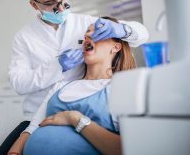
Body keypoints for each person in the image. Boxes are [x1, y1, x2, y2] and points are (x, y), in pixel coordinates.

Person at [0, 0, 148, 154]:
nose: (61, 7)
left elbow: (141, 34)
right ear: (34, 4)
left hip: (85, 111)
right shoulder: (24, 37)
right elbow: (19, 83)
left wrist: (122, 30)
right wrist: (57, 66)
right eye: (51, 3)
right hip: (37, 115)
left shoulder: (86, 23)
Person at [8, 16, 136, 155]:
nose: (87, 35)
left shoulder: (121, 88)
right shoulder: (60, 86)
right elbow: (34, 126)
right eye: (87, 32)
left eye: (98, 33)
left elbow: (127, 149)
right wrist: (14, 151)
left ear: (116, 47)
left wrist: (74, 118)